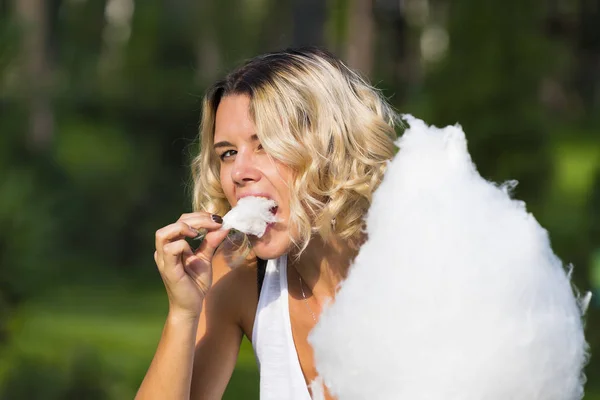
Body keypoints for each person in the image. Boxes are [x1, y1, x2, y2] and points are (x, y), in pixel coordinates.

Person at [135, 47, 399, 400]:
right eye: (228, 153)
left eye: (266, 146)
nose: (239, 173)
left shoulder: (418, 267)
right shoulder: (241, 282)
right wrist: (183, 314)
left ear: (332, 148)